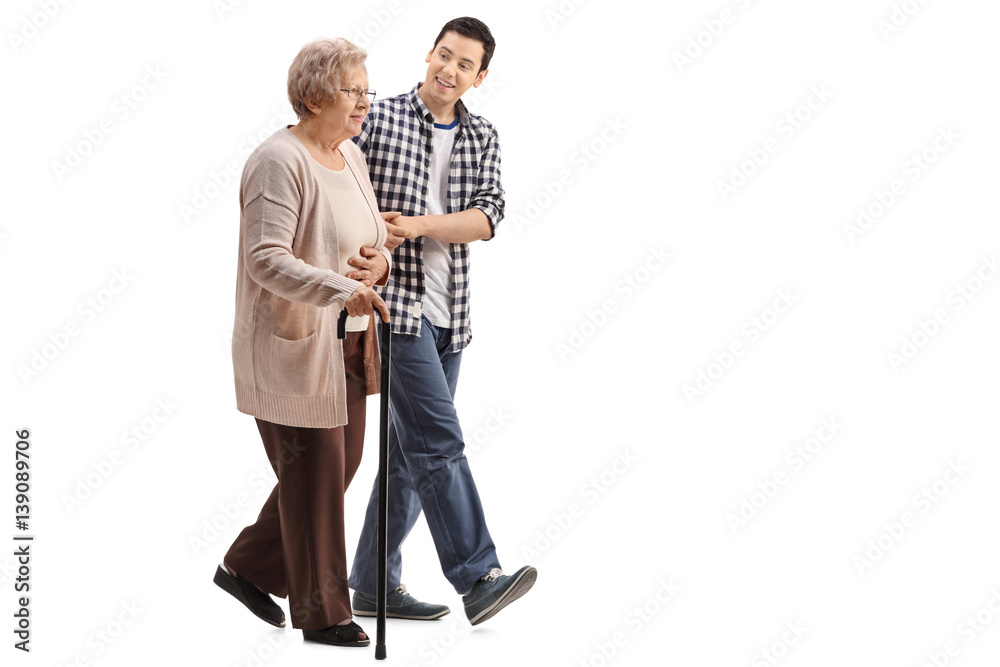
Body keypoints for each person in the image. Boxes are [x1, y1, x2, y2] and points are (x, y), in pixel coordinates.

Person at [348, 17, 536, 627]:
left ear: (480, 77)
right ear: (429, 53)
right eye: (443, 56)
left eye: (464, 65)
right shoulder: (379, 117)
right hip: (393, 308)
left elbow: (487, 217)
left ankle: (374, 583)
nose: (448, 71)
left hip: (450, 313)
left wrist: (422, 224)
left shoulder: (482, 134)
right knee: (439, 443)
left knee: (408, 455)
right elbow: (342, 189)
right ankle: (479, 577)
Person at [213, 37, 393, 648]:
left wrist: (376, 266)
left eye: (368, 91)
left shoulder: (351, 156)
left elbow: (371, 238)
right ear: (316, 95)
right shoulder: (278, 160)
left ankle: (249, 567)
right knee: (316, 478)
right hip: (296, 345)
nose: (366, 102)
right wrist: (343, 288)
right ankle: (323, 615)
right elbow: (266, 259)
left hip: (349, 343)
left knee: (335, 470)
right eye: (354, 91)